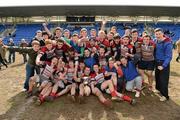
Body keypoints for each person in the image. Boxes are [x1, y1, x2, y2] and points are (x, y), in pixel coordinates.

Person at [154, 28, 173, 102]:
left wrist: (163, 65)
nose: (158, 35)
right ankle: (158, 89)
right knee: (157, 77)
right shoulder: (155, 40)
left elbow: (169, 56)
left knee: (163, 80)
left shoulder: (167, 43)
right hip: (157, 62)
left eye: (159, 34)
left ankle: (165, 95)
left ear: (162, 34)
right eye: (156, 34)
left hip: (163, 63)